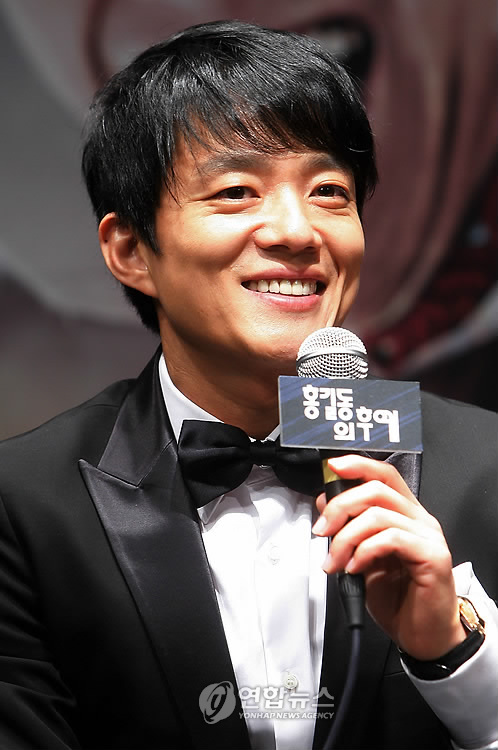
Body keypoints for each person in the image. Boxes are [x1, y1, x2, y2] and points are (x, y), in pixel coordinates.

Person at [0, 20, 496, 750]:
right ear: (131, 250)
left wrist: (454, 654)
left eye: (329, 191)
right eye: (236, 191)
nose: (297, 231)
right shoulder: (25, 502)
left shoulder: (485, 466)